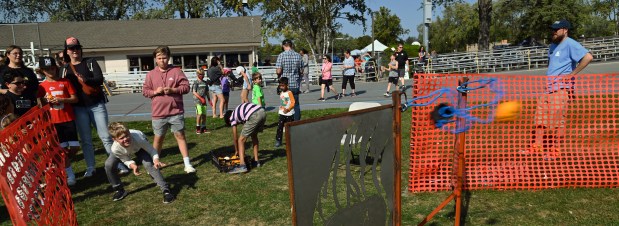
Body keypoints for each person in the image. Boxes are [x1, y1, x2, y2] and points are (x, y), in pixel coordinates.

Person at [61, 37, 128, 177]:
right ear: (67, 51)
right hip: (78, 107)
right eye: (72, 48)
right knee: (86, 140)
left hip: (96, 104)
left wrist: (86, 80)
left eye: (77, 48)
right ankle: (90, 167)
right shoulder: (65, 68)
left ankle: (118, 164)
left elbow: (99, 79)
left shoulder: (90, 62)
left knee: (106, 137)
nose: (75, 51)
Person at [527, 19, 593, 158]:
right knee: (539, 120)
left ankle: (554, 150)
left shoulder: (571, 44)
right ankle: (537, 147)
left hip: (561, 89)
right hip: (548, 89)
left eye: (557, 29)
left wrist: (572, 74)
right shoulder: (552, 46)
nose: (554, 32)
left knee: (557, 122)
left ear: (565, 30)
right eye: (553, 29)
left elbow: (588, 57)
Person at [142, 46, 196, 173]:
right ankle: (155, 163)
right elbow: (145, 91)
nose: (162, 61)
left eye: (164, 58)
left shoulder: (177, 71)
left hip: (175, 111)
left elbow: (186, 87)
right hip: (158, 113)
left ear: (169, 58)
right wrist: (155, 91)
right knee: (158, 138)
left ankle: (187, 164)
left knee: (180, 135)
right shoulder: (150, 75)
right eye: (159, 58)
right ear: (155, 59)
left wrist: (173, 90)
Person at [105, 122, 175, 203]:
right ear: (115, 140)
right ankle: (119, 190)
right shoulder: (115, 148)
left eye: (127, 135)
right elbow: (125, 159)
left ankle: (166, 190)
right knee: (109, 164)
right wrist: (133, 166)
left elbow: (152, 150)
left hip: (139, 148)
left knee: (149, 164)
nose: (126, 139)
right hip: (122, 151)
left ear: (129, 132)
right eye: (121, 138)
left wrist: (156, 160)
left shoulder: (138, 138)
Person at [36, 56, 79, 186]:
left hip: (68, 118)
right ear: (42, 71)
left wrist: (62, 100)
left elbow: (75, 99)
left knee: (75, 148)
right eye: (47, 69)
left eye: (52, 68)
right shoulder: (41, 86)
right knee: (62, 150)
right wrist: (45, 101)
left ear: (56, 68)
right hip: (54, 122)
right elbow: (39, 104)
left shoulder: (65, 82)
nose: (50, 71)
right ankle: (70, 175)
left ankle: (63, 165)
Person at [224, 103, 266, 174]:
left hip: (254, 115)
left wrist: (237, 150)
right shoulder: (239, 111)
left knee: (241, 140)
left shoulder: (232, 117)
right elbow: (246, 125)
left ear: (229, 119)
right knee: (254, 136)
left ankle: (242, 165)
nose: (235, 124)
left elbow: (235, 137)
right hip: (262, 112)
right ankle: (256, 161)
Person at [275, 39, 303, 121]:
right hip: (295, 83)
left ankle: (287, 122)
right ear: (291, 45)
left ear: (283, 46)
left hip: (285, 85)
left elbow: (279, 71)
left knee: (285, 104)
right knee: (296, 104)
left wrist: (278, 74)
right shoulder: (298, 56)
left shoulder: (281, 55)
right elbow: (301, 71)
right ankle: (296, 122)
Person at [275, 77, 295, 148]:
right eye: (280, 85)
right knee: (279, 127)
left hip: (289, 114)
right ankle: (278, 140)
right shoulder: (281, 92)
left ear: (287, 85)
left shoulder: (289, 93)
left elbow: (293, 102)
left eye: (283, 86)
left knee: (289, 128)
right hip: (282, 113)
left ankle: (290, 140)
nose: (281, 87)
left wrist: (288, 109)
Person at [192, 68, 211, 134]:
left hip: (204, 101)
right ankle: (198, 128)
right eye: (200, 74)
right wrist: (201, 98)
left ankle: (203, 127)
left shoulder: (205, 83)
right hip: (197, 101)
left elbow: (207, 92)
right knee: (199, 113)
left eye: (203, 74)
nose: (202, 75)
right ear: (197, 74)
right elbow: (194, 92)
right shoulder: (196, 82)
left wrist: (209, 99)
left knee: (204, 114)